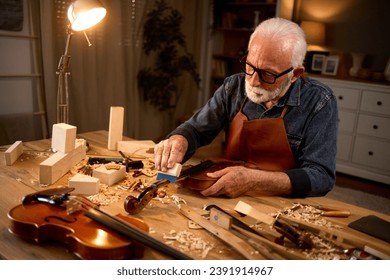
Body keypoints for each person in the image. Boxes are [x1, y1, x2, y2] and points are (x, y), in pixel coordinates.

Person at [154, 17, 338, 198]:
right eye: (250, 66)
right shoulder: (233, 86)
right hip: (229, 193)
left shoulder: (319, 101)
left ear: (295, 74)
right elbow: (196, 129)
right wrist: (180, 140)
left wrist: (256, 180)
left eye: (268, 74)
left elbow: (321, 176)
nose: (253, 81)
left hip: (282, 205)